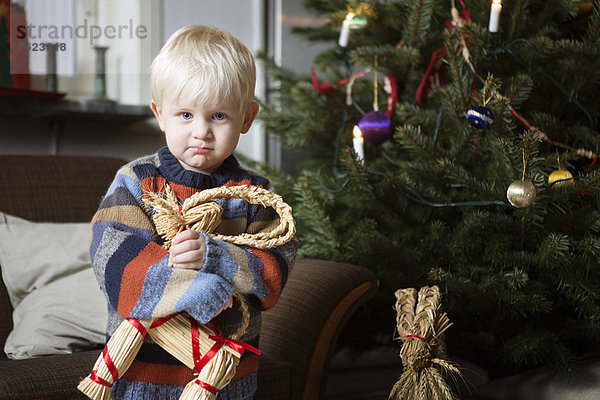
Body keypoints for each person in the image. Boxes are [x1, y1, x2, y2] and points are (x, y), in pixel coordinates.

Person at [90, 25, 298, 400]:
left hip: (225, 382)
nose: (201, 131)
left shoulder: (255, 196)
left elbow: (273, 274)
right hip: (142, 377)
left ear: (247, 118)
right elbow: (113, 260)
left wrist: (215, 256)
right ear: (160, 114)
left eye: (219, 116)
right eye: (185, 114)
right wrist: (197, 290)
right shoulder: (137, 182)